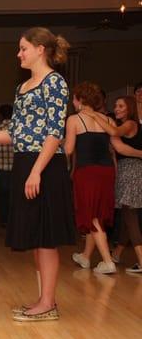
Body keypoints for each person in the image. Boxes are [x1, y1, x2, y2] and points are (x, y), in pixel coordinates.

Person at [0, 27, 76, 321]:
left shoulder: (55, 83)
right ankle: (44, 300)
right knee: (36, 236)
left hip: (45, 166)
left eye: (23, 48)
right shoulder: (22, 89)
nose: (18, 53)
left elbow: (53, 134)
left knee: (46, 238)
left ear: (40, 50)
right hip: (26, 163)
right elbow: (13, 135)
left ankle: (47, 303)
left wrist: (36, 172)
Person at [84, 96, 142, 273]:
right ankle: (116, 254)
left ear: (129, 108)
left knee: (130, 216)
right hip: (130, 170)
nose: (116, 109)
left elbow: (115, 135)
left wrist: (94, 115)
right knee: (126, 215)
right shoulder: (129, 125)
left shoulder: (130, 124)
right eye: (115, 106)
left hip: (131, 171)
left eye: (121, 106)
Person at [64, 82, 117, 274]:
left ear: (79, 100)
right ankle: (85, 257)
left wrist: (54, 145)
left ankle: (107, 261)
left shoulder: (74, 120)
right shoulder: (108, 120)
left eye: (74, 98)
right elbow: (115, 148)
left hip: (87, 172)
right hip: (106, 171)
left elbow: (69, 150)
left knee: (92, 215)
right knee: (98, 213)